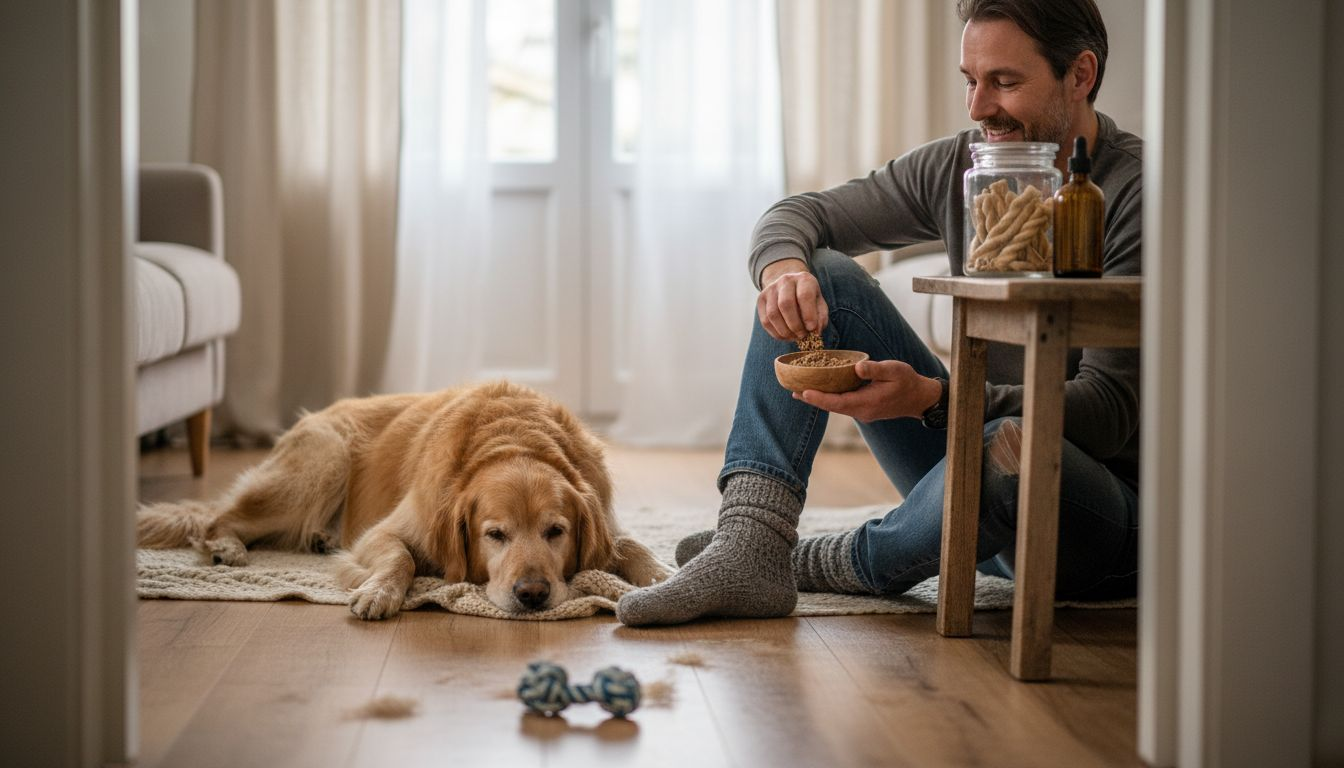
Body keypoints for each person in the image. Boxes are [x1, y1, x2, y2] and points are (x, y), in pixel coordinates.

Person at [617, 0, 1141, 627]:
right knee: (829, 277)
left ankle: (825, 560)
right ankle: (752, 539)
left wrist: (934, 399)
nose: (978, 107)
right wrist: (784, 273)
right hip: (969, 476)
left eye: (1004, 82)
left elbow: (1108, 413)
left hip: (1091, 514)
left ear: (1080, 75)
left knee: (1010, 447)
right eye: (970, 81)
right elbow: (797, 216)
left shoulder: (1136, 191)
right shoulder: (960, 166)